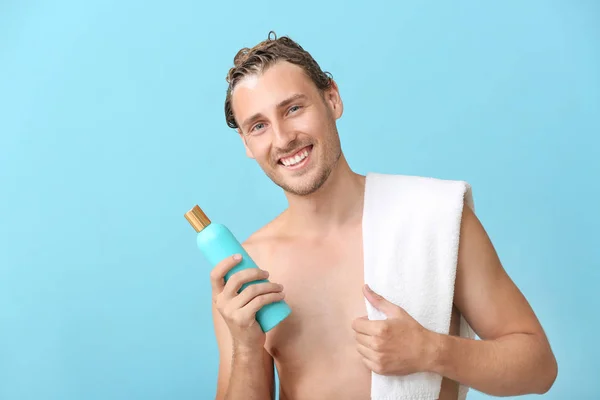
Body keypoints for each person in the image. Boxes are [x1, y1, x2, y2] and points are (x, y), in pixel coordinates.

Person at [209, 32, 558, 400]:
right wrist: (245, 348)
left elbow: (538, 367)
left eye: (293, 108)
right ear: (247, 144)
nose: (282, 139)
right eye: (259, 126)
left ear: (332, 98)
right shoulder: (247, 267)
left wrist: (430, 351)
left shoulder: (434, 217)